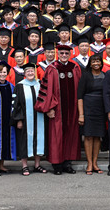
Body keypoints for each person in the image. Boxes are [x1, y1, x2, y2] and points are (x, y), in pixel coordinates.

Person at [35, 44, 82, 175]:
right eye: (62, 53)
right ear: (58, 54)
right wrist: (49, 108)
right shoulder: (52, 69)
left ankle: (67, 163)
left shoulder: (75, 68)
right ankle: (57, 165)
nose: (64, 55)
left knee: (71, 135)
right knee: (57, 136)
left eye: (66, 53)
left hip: (72, 110)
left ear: (70, 55)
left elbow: (80, 89)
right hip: (57, 110)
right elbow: (47, 90)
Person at [12, 63, 48, 176]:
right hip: (25, 120)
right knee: (24, 142)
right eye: (28, 71)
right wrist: (18, 119)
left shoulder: (40, 84)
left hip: (40, 119)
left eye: (32, 71)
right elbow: (16, 104)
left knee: (39, 140)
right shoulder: (19, 86)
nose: (30, 73)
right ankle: (24, 166)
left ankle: (37, 165)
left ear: (35, 72)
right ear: (24, 73)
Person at [77, 55, 107, 175]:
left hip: (100, 109)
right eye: (93, 61)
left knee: (98, 136)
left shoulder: (105, 76)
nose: (96, 63)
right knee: (88, 136)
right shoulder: (85, 76)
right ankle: (89, 163)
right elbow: (79, 96)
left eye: (98, 61)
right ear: (90, 63)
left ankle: (95, 163)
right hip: (88, 109)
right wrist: (81, 114)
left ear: (101, 63)